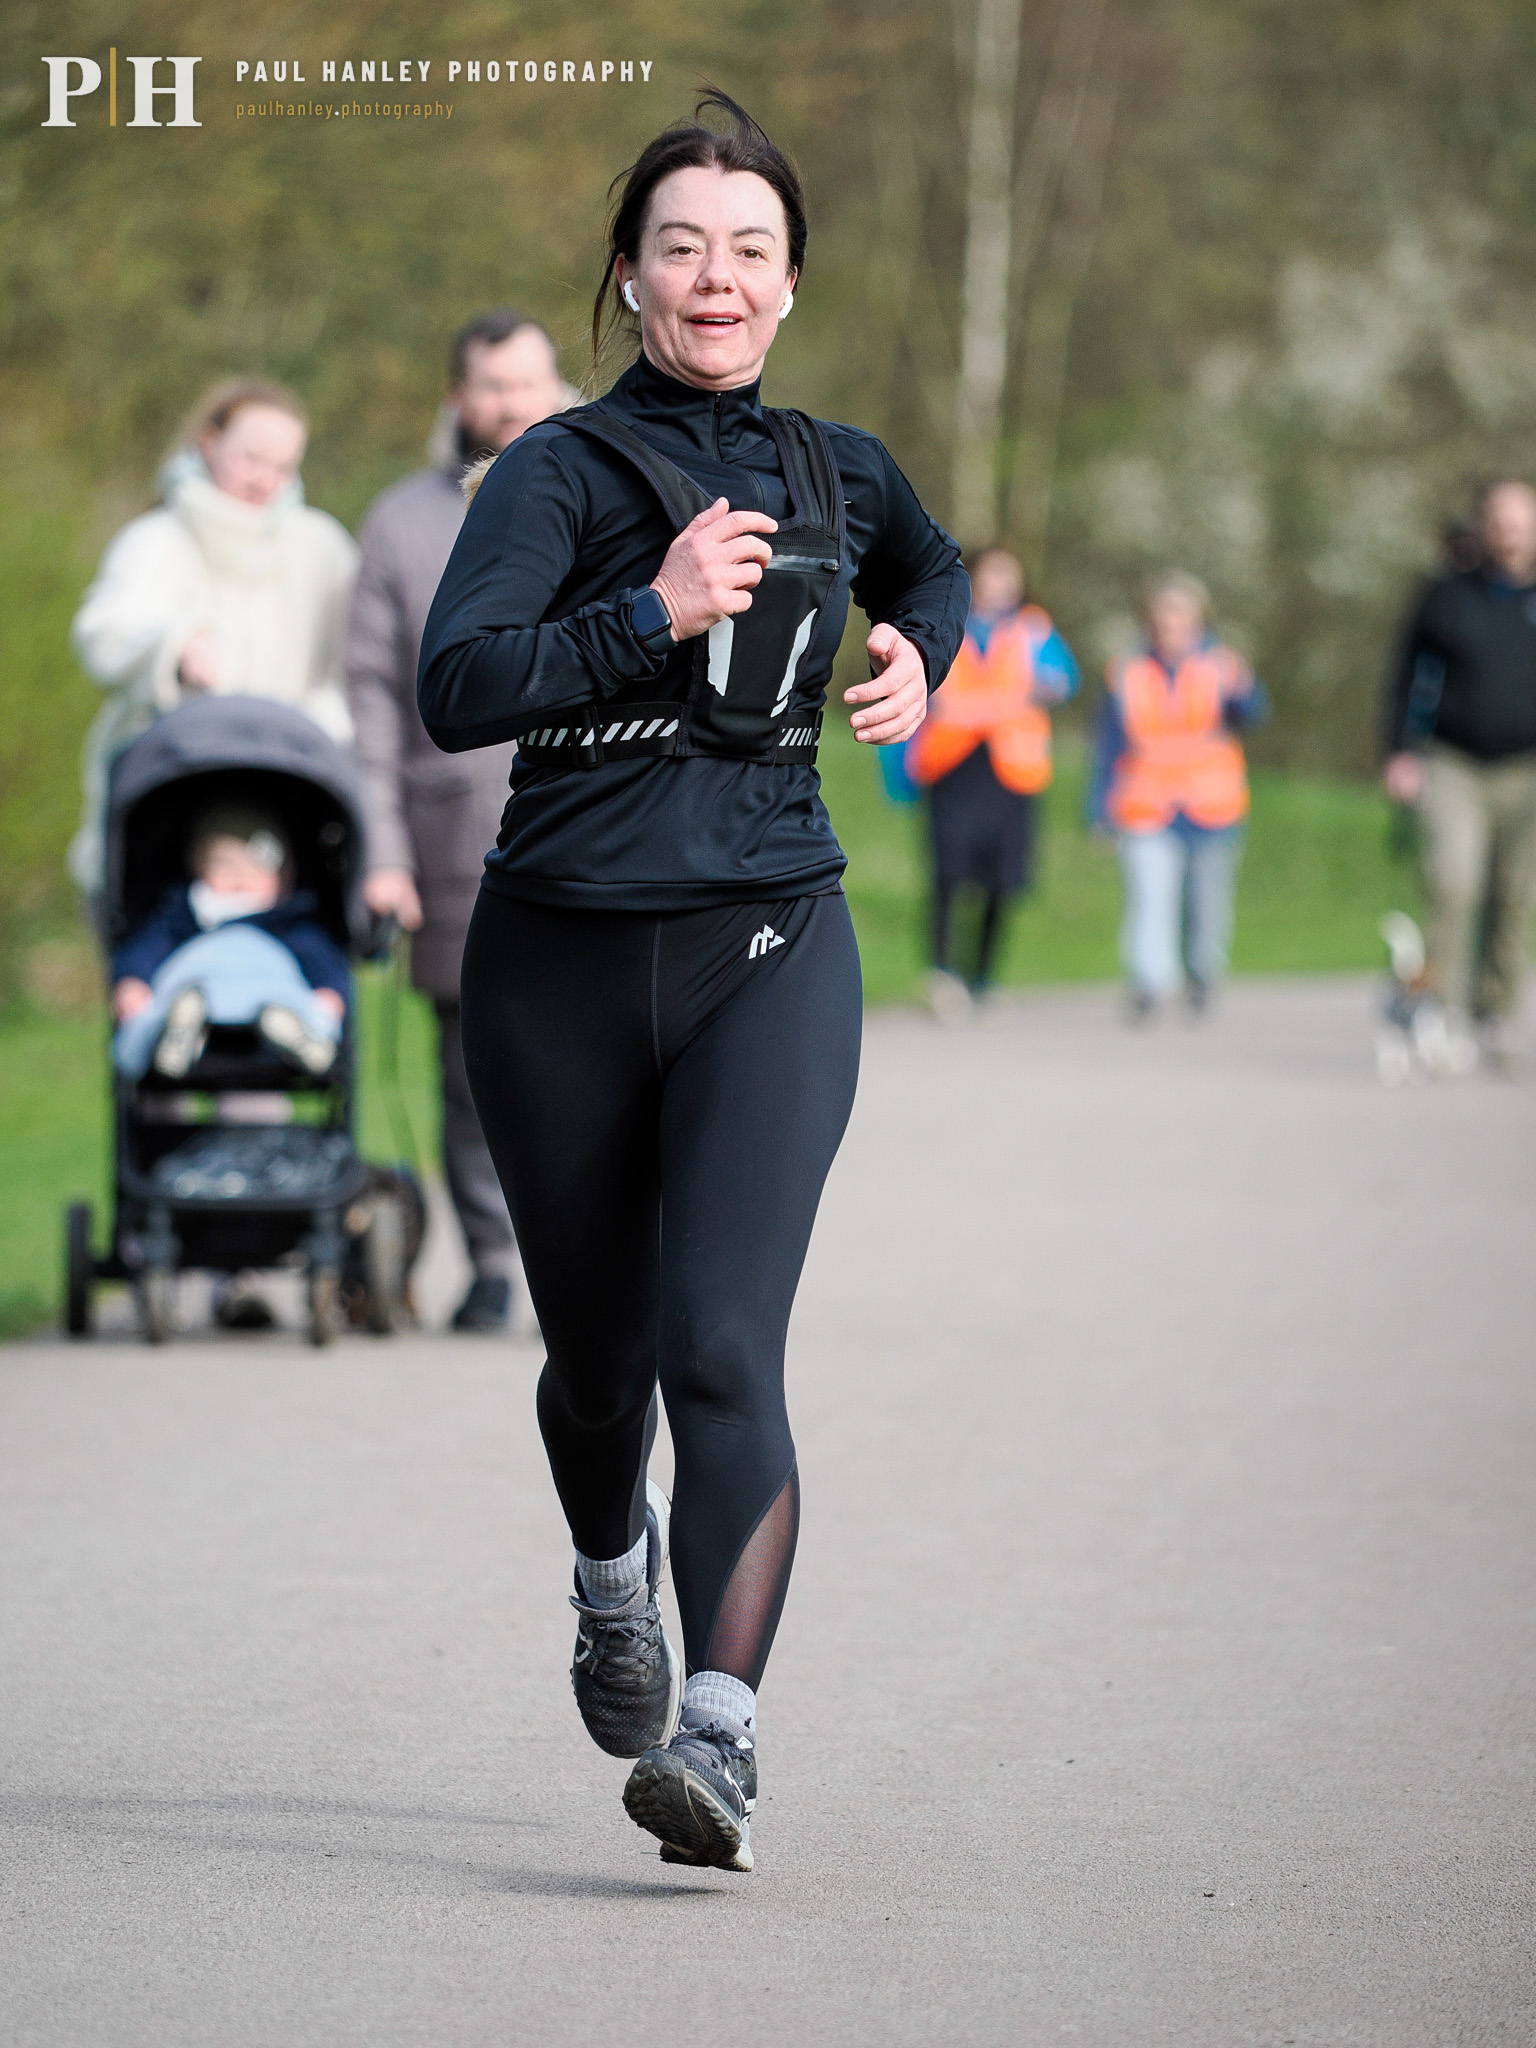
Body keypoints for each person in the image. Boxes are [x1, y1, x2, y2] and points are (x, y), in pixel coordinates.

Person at [418, 90, 967, 1871]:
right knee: (604, 1368)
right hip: (557, 961)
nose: (714, 276)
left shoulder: (842, 467)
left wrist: (922, 655)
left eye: (748, 248)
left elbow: (931, 566)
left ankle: (717, 1739)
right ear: (630, 275)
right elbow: (461, 681)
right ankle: (607, 1567)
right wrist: (649, 608)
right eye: (680, 245)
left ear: (789, 283)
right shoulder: (554, 472)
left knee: (726, 1347)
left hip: (768, 942)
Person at [347, 312, 575, 1333]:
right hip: (454, 845)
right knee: (473, 1067)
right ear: (457, 399)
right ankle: (491, 1259)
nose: (512, 403)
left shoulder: (611, 488)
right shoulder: (397, 525)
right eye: (492, 385)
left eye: (530, 382)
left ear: (559, 386)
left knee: (597, 1058)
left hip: (592, 823)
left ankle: (592, 1261)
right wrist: (382, 854)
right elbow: (371, 704)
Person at [69, 380, 358, 891]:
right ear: (207, 442)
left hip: (291, 803)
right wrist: (172, 648)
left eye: (283, 465)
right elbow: (102, 634)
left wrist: (310, 733)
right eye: (251, 458)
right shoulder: (155, 539)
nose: (265, 480)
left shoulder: (325, 548)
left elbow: (354, 670)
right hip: (165, 797)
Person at [1382, 480, 1536, 1069]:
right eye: (1501, 521)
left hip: (1526, 766)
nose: (1511, 533)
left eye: (1521, 521)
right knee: (1452, 882)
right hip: (1454, 762)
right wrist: (1399, 752)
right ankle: (1436, 1013)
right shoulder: (1447, 595)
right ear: (1484, 527)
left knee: (1514, 895)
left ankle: (1494, 1016)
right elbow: (1403, 673)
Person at [904, 545, 1078, 1018]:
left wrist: (1049, 685)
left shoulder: (1033, 629)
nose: (1002, 584)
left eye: (1010, 576)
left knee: (1002, 880)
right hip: (952, 765)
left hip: (1011, 768)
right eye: (994, 574)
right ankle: (941, 975)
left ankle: (982, 976)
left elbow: (1064, 680)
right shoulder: (945, 619)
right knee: (948, 874)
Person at [1092, 572, 1267, 1016]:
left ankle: (1203, 974)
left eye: (1181, 619)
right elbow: (1108, 745)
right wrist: (1098, 809)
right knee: (1150, 898)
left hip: (1211, 804)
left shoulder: (1223, 666)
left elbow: (1253, 715)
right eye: (1163, 619)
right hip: (1146, 804)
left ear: (1198, 621)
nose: (1172, 629)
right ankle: (1149, 982)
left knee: (1206, 904)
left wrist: (1244, 691)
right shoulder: (1127, 671)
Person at [112, 805, 349, 1083]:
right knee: (154, 1008)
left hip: (269, 993)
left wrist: (331, 992)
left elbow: (320, 958)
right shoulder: (184, 915)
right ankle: (175, 1034)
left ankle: (302, 1036)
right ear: (198, 866)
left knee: (310, 1007)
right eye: (224, 864)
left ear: (284, 877)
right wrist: (133, 980)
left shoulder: (288, 921)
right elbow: (148, 948)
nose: (239, 878)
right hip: (197, 987)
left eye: (255, 867)